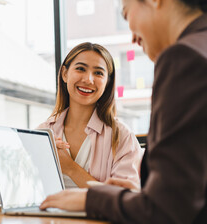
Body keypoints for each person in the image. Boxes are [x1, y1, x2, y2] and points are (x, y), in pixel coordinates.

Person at [40, 0, 207, 224]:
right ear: (64, 73)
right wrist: (135, 197)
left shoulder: (185, 58)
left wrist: (92, 198)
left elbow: (164, 214)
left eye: (126, 15)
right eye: (80, 69)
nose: (133, 38)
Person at [38, 42, 142, 189]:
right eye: (80, 69)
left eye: (98, 73)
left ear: (107, 82)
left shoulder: (122, 136)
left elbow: (124, 199)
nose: (88, 80)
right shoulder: (42, 133)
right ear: (64, 74)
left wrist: (70, 168)